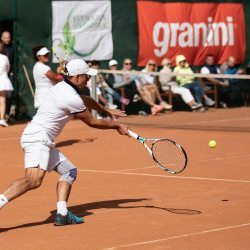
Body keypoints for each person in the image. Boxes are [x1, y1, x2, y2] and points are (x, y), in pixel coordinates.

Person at [0, 59, 130, 226]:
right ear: (76, 77)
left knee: (69, 171)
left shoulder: (64, 87)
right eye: (86, 76)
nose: (88, 79)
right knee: (33, 180)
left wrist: (106, 110)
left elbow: (85, 100)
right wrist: (117, 126)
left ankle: (62, 214)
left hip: (40, 137)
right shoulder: (70, 97)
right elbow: (92, 122)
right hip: (38, 138)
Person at [1, 31, 14, 121]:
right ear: (2, 38)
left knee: (8, 96)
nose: (7, 39)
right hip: (3, 74)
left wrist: (11, 71)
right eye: (5, 37)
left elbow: (12, 63)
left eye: (9, 37)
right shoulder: (1, 47)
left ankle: (6, 114)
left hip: (8, 75)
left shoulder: (13, 48)